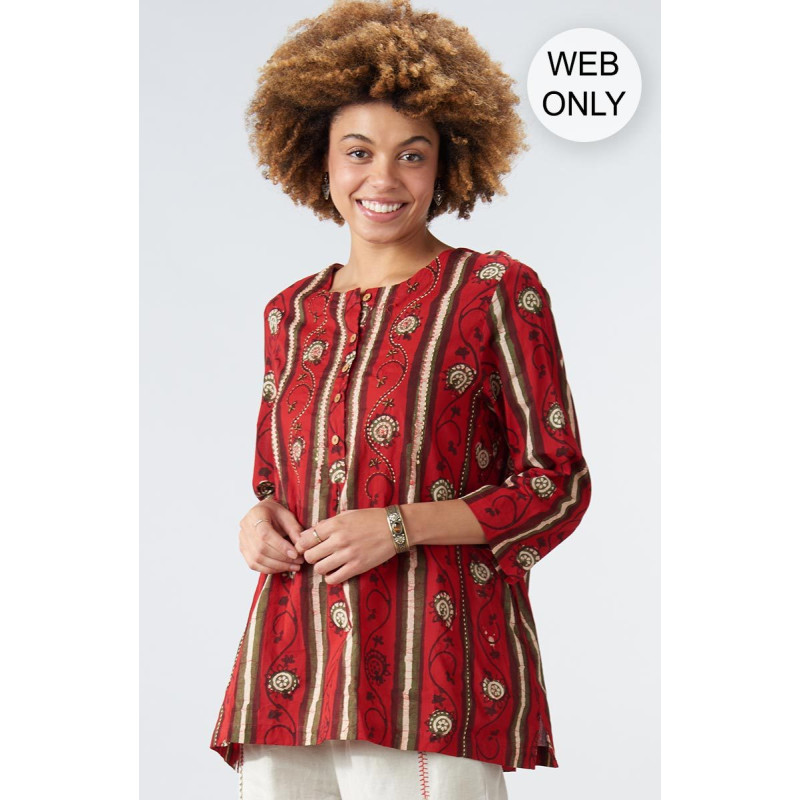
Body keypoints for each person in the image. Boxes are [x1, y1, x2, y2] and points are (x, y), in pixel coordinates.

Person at [210, 1, 592, 797]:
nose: (382, 179)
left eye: (411, 156)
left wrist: (398, 526)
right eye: (358, 152)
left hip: (431, 671)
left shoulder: (493, 291)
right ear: (319, 161)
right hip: (290, 668)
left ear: (445, 166)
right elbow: (277, 479)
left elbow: (556, 484)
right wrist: (258, 520)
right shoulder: (291, 313)